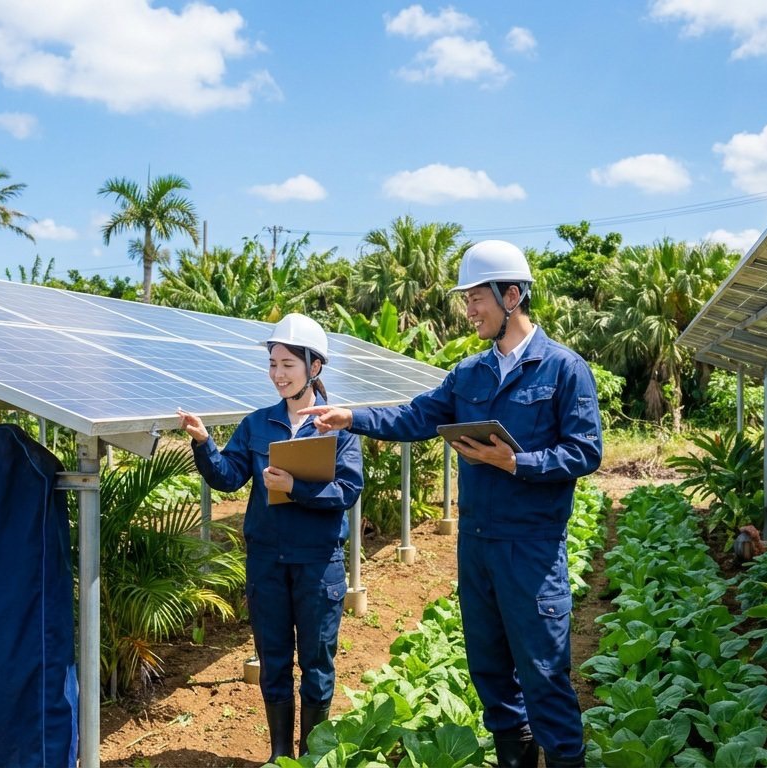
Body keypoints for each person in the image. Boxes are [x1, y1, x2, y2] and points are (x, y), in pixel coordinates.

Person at [300, 240, 602, 767]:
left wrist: (515, 464)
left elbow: (585, 451)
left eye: (476, 298)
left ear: (512, 296)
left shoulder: (564, 369)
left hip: (532, 547)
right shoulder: (468, 374)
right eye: (467, 300)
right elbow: (416, 418)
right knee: (488, 668)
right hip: (478, 544)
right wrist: (353, 418)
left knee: (544, 672)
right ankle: (513, 757)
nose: (469, 311)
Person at [177, 312, 363, 762]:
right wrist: (204, 444)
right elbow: (228, 477)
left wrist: (294, 488)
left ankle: (312, 756)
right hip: (267, 560)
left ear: (314, 368)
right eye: (273, 364)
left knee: (317, 663)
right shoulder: (257, 424)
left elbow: (348, 490)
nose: (278, 374)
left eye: (288, 365)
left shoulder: (336, 426)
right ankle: (281, 756)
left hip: (319, 562)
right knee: (274, 659)